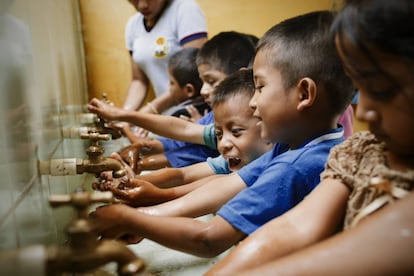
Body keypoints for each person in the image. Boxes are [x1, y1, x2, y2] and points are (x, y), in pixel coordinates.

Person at [89, 10, 354, 258]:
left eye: (260, 87)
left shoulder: (296, 164)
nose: (253, 102)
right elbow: (226, 184)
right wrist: (147, 212)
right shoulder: (292, 147)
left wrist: (129, 219)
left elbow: (209, 239)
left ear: (304, 94)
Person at [206, 1, 414, 274]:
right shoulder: (359, 153)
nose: (362, 111)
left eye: (381, 89)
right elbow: (294, 228)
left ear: (305, 93)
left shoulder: (303, 160)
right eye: (360, 89)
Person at [94, 69, 273, 206]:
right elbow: (183, 171)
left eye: (235, 132)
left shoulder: (276, 162)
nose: (223, 144)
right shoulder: (234, 146)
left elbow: (208, 235)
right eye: (219, 134)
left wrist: (147, 199)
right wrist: (129, 183)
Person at [88, 31, 258, 171]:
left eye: (211, 81)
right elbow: (179, 138)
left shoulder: (258, 137)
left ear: (239, 77)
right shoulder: (215, 117)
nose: (203, 90)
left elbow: (185, 137)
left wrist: (125, 117)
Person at [122, 0, 207, 116]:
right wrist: (124, 114)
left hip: (192, 113)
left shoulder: (185, 9)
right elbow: (139, 80)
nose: (142, 5)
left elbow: (193, 73)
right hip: (164, 115)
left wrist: (148, 112)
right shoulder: (133, 25)